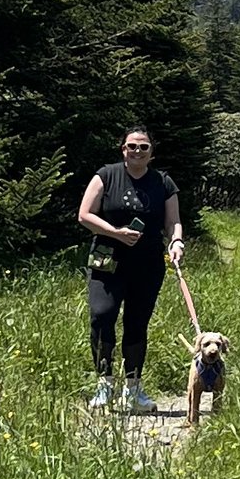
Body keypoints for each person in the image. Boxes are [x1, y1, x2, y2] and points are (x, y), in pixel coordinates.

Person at [78, 125, 183, 412]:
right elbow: (85, 215)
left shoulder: (163, 182)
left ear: (151, 152)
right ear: (122, 148)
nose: (137, 151)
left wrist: (176, 242)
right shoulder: (106, 175)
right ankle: (104, 383)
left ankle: (133, 389)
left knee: (137, 323)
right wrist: (115, 232)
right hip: (107, 260)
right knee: (102, 316)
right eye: (131, 146)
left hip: (147, 263)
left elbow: (172, 220)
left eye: (143, 147)